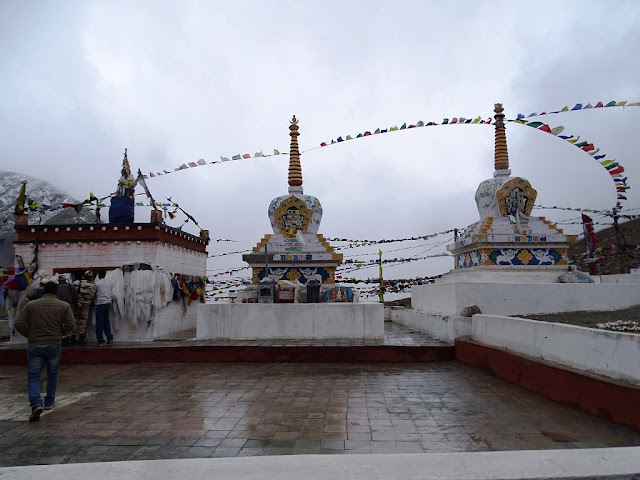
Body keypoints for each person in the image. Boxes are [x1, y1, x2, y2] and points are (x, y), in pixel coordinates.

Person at [14, 281, 75, 421]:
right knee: (52, 374)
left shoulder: (31, 305)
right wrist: (60, 333)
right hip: (54, 344)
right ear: (56, 291)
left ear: (43, 291)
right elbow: (71, 324)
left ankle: (36, 404)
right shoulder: (64, 306)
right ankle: (49, 402)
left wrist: (28, 334)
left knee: (34, 376)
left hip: (35, 344)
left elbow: (18, 323)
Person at [72, 271, 97, 345]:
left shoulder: (76, 283)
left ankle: (73, 338)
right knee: (83, 322)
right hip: (86, 306)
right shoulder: (93, 285)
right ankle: (81, 338)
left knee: (75, 320)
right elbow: (93, 296)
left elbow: (73, 293)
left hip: (77, 305)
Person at [56, 275, 78, 346]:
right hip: (70, 307)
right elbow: (76, 297)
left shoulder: (56, 287)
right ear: (65, 280)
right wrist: (76, 307)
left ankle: (64, 338)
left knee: (62, 323)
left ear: (59, 280)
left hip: (59, 308)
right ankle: (72, 338)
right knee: (71, 322)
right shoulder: (70, 286)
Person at [94, 270, 114, 345]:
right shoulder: (109, 283)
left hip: (100, 303)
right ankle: (109, 338)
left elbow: (93, 293)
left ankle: (100, 340)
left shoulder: (97, 284)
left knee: (99, 322)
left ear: (98, 275)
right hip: (108, 303)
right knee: (106, 321)